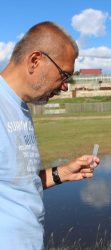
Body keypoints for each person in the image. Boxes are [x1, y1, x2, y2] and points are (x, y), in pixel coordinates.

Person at [0, 21, 100, 250]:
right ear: (35, 60)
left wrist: (63, 173)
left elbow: (17, 182)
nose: (65, 86)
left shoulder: (19, 107)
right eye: (64, 75)